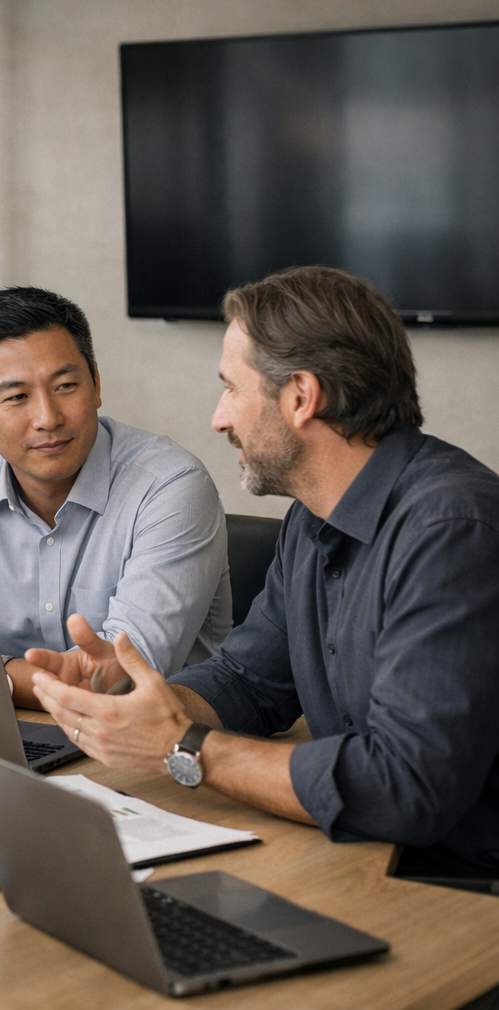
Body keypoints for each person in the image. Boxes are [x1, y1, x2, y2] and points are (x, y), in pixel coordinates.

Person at [29, 266, 499, 878]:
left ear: (301, 396)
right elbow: (250, 683)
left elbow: (403, 787)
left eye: (232, 388)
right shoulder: (312, 518)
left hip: (462, 892)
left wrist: (182, 745)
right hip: (358, 862)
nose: (219, 418)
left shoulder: (451, 531)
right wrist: (137, 701)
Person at [0, 286, 231, 709]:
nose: (47, 418)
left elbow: (125, 675)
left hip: (158, 750)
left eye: (66, 386)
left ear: (95, 383)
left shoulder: (170, 485)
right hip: (9, 737)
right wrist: (8, 678)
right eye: (17, 397)